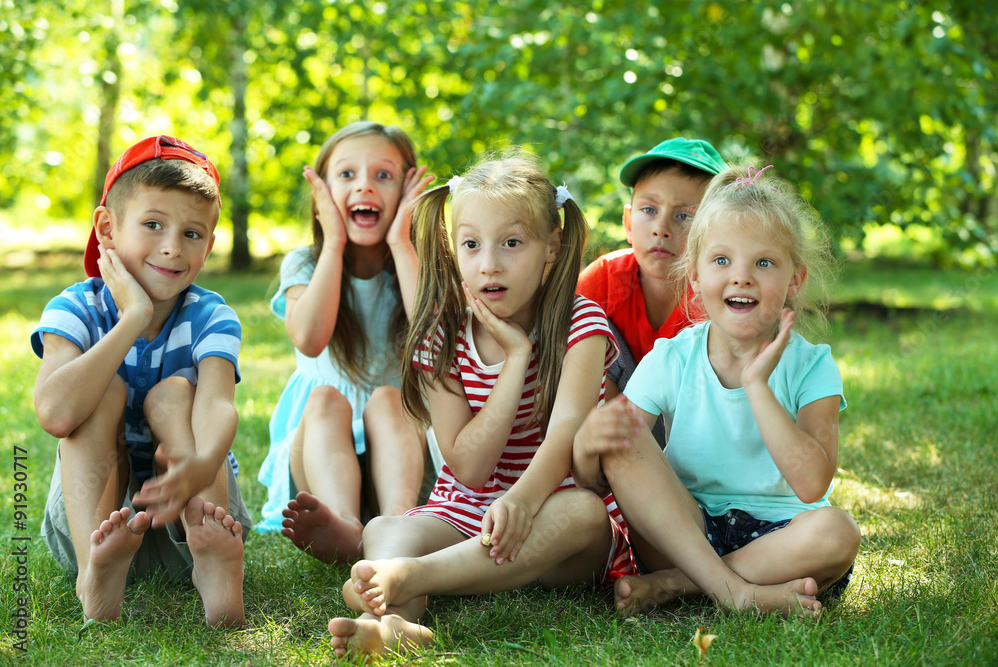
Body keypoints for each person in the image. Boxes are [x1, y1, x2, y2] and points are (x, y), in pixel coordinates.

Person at [327, 151, 635, 657]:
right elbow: (468, 468)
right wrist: (515, 359)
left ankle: (414, 577)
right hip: (465, 513)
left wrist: (522, 500)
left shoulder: (582, 325)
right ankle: (390, 624)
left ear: (550, 250)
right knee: (385, 527)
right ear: (453, 249)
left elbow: (565, 434)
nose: (489, 262)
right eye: (471, 244)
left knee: (581, 512)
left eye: (511, 243)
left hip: (551, 521)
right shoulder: (441, 335)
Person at [574, 164, 861, 618]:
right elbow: (608, 464)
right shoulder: (674, 357)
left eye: (763, 263)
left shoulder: (813, 366)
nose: (741, 277)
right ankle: (735, 591)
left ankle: (680, 586)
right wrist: (590, 445)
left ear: (795, 280)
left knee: (838, 532)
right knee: (624, 432)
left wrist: (757, 386)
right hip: (684, 532)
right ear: (695, 277)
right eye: (722, 261)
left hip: (783, 541)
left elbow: (811, 484)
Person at [32, 135, 250, 626]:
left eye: (193, 234)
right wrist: (133, 317)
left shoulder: (211, 315)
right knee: (102, 390)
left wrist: (201, 463)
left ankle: (213, 570)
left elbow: (217, 403)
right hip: (96, 522)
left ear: (210, 245)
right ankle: (96, 573)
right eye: (153, 225)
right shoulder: (76, 308)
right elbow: (55, 412)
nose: (173, 248)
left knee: (175, 394)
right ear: (107, 229)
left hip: (197, 511)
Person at [256, 122, 435, 564]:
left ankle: (396, 524)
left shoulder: (420, 264)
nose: (365, 187)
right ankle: (344, 523)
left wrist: (401, 242)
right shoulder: (307, 262)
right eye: (347, 175)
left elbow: (438, 339)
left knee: (392, 398)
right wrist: (333, 241)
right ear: (323, 192)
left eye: (383, 175)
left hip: (398, 455)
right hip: (320, 459)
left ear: (408, 188)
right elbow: (311, 340)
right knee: (323, 400)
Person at [578, 137, 726, 444]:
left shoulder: (719, 295)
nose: (662, 228)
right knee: (582, 326)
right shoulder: (603, 279)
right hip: (616, 425)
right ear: (628, 223)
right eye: (649, 209)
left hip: (697, 433)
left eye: (685, 215)